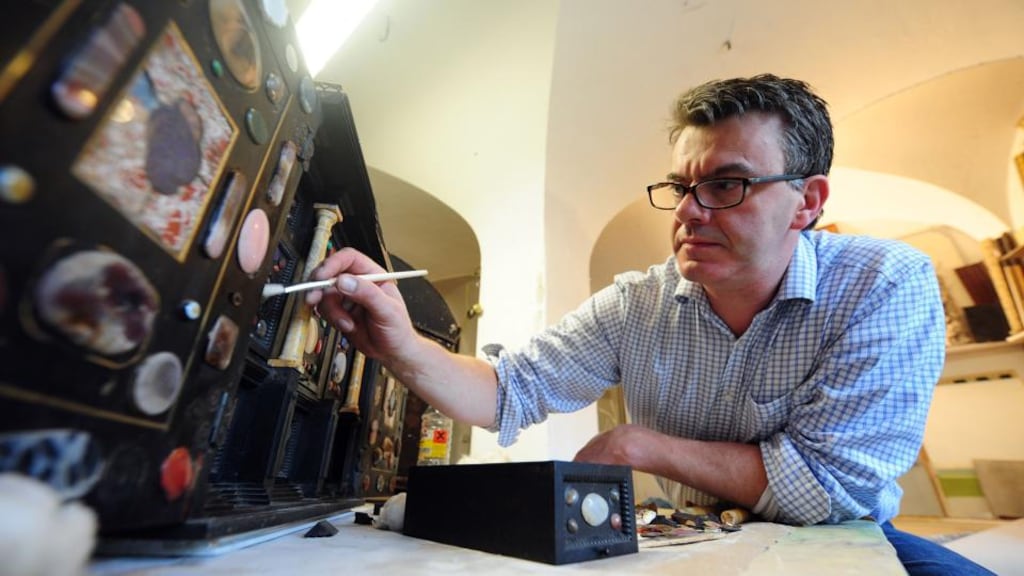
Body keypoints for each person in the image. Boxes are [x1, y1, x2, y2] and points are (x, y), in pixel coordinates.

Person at [307, 74, 992, 576]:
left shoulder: (884, 282)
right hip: (691, 540)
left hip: (841, 546)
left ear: (807, 202)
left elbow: (829, 487)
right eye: (683, 186)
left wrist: (643, 446)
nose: (689, 214)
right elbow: (508, 389)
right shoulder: (637, 303)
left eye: (727, 185)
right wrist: (400, 342)